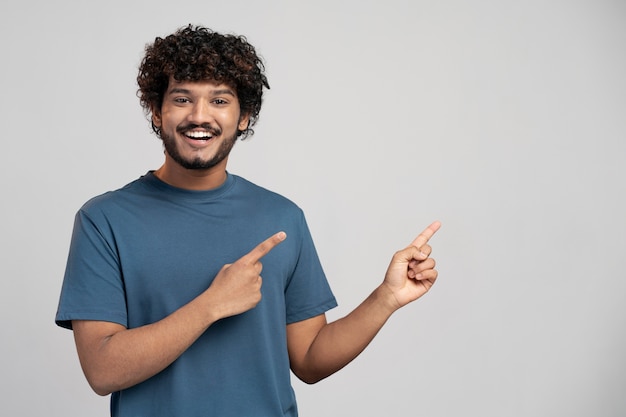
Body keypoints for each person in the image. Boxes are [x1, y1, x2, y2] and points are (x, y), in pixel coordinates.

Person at [55, 24, 441, 417]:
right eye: (182, 99)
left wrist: (386, 298)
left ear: (244, 116)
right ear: (158, 111)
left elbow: (309, 358)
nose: (199, 116)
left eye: (220, 100)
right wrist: (210, 305)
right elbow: (102, 370)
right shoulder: (104, 220)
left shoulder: (281, 216)